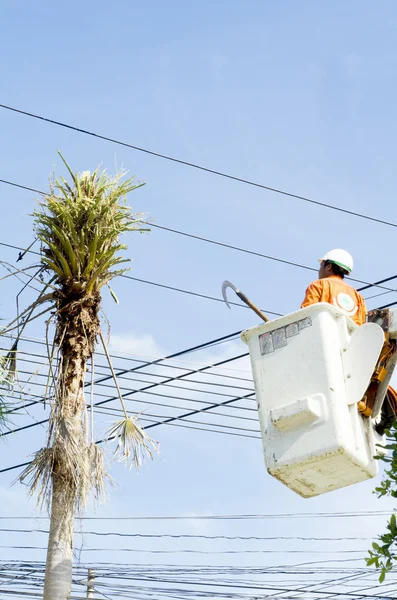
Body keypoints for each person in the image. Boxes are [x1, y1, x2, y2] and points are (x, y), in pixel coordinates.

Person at [301, 249, 397, 435]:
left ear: (328, 265)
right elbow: (361, 326)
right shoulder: (357, 296)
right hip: (352, 348)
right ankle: (387, 407)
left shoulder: (318, 286)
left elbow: (308, 317)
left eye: (321, 265)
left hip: (326, 344)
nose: (319, 269)